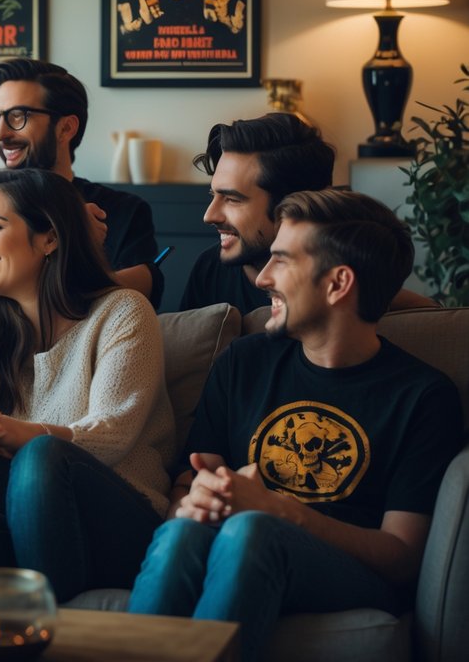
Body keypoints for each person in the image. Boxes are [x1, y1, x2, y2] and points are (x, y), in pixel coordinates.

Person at [128, 190, 462, 662]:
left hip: (345, 572)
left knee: (253, 530)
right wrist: (194, 501)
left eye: (280, 262)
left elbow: (403, 557)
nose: (261, 278)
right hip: (235, 540)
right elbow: (191, 479)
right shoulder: (243, 363)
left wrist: (277, 509)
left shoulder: (424, 396)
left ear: (338, 283)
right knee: (183, 532)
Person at [0, 168, 174, 602]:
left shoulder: (122, 311)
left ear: (49, 237)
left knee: (39, 456)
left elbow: (113, 434)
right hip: (19, 521)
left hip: (116, 519)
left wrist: (22, 435)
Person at [179, 113, 433, 313]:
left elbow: (425, 314)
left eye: (233, 199)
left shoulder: (349, 281)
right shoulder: (209, 269)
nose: (209, 215)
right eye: (214, 195)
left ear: (295, 204)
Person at [0, 58, 164, 307]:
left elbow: (138, 295)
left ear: (66, 128)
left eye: (17, 117)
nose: (1, 134)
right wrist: (74, 237)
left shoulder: (124, 211)